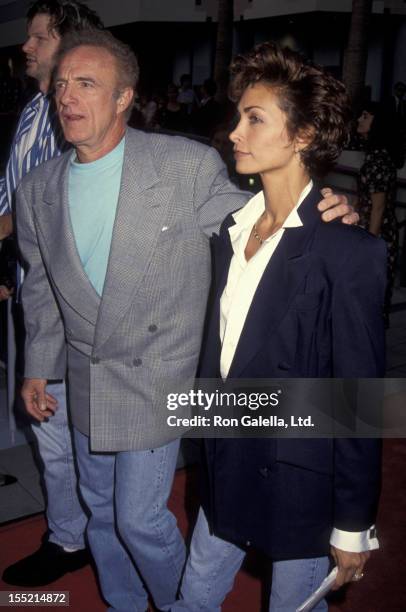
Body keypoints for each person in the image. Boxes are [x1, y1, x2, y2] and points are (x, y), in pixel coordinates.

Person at [16, 29, 356, 610]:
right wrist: (38, 367)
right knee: (100, 514)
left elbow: (261, 221)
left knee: (141, 519)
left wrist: (325, 211)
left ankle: (183, 603)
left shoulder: (183, 165)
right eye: (63, 84)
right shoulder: (37, 187)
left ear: (125, 98)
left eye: (87, 84)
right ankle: (125, 604)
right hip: (84, 371)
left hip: (160, 376)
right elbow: (43, 288)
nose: (67, 97)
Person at [172, 42, 386, 612]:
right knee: (193, 599)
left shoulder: (349, 252)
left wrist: (352, 524)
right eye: (238, 115)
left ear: (304, 135)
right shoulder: (231, 231)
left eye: (254, 118)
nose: (234, 132)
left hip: (298, 481)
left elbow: (360, 399)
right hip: (227, 465)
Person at [0, 0, 103, 588]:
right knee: (52, 430)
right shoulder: (32, 111)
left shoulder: (75, 119)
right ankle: (76, 531)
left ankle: (76, 537)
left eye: (38, 37)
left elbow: (47, 213)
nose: (26, 48)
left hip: (67, 307)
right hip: (33, 293)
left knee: (67, 434)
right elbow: (11, 198)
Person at [356, 102, 399, 324]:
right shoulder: (375, 155)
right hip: (372, 233)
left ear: (377, 124)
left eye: (365, 116)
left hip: (377, 236)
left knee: (370, 300)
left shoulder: (378, 159)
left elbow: (378, 208)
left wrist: (369, 247)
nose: (359, 120)